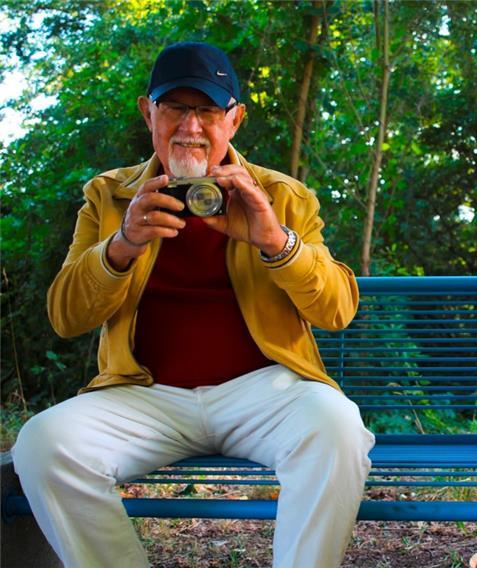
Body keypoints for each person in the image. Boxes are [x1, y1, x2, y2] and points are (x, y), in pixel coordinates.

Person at [12, 41, 374, 568]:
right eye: (176, 107)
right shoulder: (109, 196)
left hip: (264, 392)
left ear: (235, 119)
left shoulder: (283, 195)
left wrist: (276, 241)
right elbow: (66, 316)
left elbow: (337, 310)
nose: (191, 126)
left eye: (207, 109)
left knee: (336, 427)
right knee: (42, 443)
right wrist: (121, 247)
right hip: (146, 396)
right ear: (148, 112)